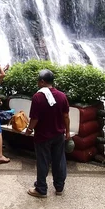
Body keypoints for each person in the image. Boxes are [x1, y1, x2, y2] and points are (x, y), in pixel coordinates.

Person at [25, 69, 70, 198]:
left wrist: (28, 130)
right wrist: (67, 132)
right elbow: (66, 116)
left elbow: (35, 119)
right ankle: (59, 187)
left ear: (43, 82)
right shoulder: (62, 96)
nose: (38, 83)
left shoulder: (38, 97)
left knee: (43, 162)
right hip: (58, 135)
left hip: (43, 136)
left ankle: (41, 189)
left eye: (38, 81)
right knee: (59, 160)